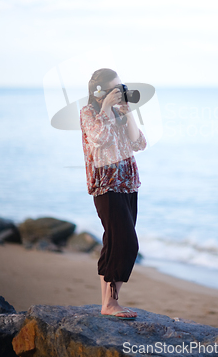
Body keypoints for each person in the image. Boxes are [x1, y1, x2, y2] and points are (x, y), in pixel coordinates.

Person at [80, 68, 147, 320]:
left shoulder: (120, 112)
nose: (119, 93)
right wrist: (106, 110)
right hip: (106, 185)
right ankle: (111, 303)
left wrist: (127, 113)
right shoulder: (88, 113)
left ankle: (107, 303)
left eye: (121, 88)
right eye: (114, 89)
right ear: (99, 93)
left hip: (128, 183)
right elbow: (98, 138)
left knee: (112, 244)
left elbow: (139, 143)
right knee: (127, 244)